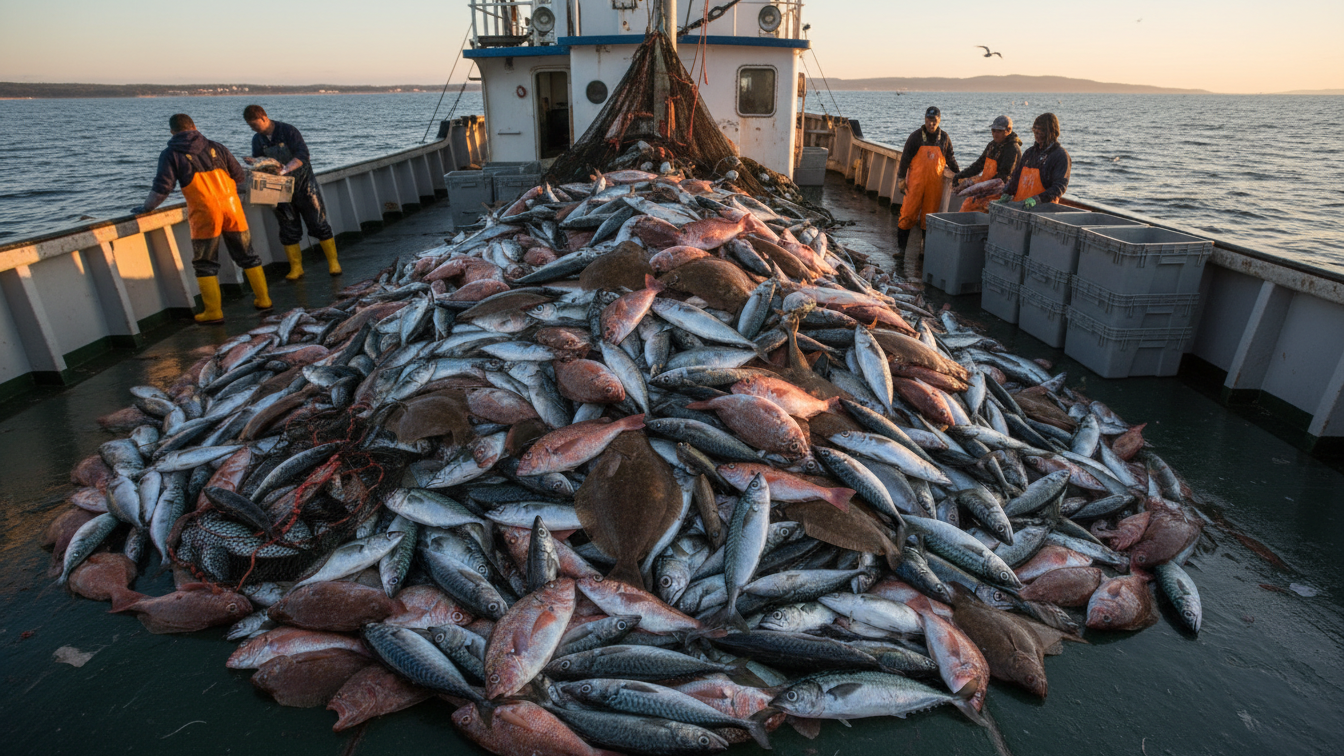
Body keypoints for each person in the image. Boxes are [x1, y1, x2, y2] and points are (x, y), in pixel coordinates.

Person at [132, 113, 270, 324]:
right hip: (232, 208)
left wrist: (146, 207)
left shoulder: (171, 153)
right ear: (194, 127)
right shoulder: (217, 146)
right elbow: (239, 177)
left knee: (205, 262)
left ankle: (213, 312)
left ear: (172, 132)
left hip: (205, 212)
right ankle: (264, 300)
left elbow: (163, 187)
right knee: (247, 255)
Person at [242, 105, 341, 280]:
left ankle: (333, 262)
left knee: (318, 222)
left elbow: (303, 154)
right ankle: (296, 268)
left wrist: (286, 169)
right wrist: (254, 161)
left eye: (255, 125)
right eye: (251, 126)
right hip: (278, 187)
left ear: (264, 118)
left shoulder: (288, 131)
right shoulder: (257, 139)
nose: (253, 129)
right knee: (288, 227)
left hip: (304, 184)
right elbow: (261, 160)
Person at [896, 106, 959, 254]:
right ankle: (901, 251)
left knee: (928, 219)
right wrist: (900, 178)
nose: (931, 124)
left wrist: (959, 174)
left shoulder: (944, 138)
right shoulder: (915, 137)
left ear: (939, 120)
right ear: (925, 120)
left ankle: (923, 252)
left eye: (934, 121)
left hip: (934, 186)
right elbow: (905, 159)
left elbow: (950, 158)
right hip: (914, 184)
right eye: (929, 120)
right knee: (907, 216)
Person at [998, 113, 1071, 209]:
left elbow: (1059, 187)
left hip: (1042, 209)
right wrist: (1007, 192)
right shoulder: (1029, 153)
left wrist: (1038, 199)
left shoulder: (1060, 155)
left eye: (1040, 131)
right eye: (1035, 130)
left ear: (1051, 132)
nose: (1037, 134)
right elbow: (1017, 176)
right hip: (1020, 205)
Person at [953, 115, 1022, 213]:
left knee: (972, 205)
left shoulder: (1012, 149)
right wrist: (960, 175)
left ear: (1008, 130)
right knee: (968, 204)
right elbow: (978, 165)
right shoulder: (992, 145)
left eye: (999, 131)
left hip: (999, 193)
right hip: (985, 189)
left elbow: (1004, 177)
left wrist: (980, 189)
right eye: (993, 130)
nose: (995, 134)